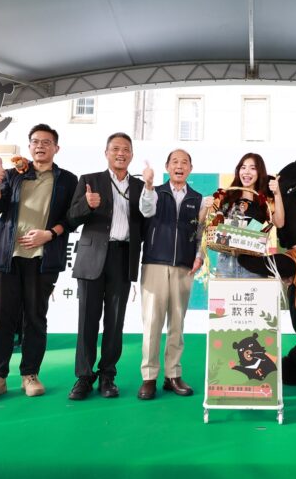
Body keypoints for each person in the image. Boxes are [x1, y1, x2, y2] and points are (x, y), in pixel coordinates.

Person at [0, 124, 78, 403]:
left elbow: (72, 218)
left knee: (35, 318)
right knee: (2, 319)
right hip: (9, 256)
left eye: (47, 142)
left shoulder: (68, 180)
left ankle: (30, 374)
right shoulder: (12, 175)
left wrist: (49, 233)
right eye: (35, 141)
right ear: (29, 146)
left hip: (43, 259)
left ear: (56, 148)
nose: (40, 146)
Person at [66, 132, 149, 400]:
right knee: (87, 320)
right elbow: (71, 218)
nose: (120, 153)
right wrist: (87, 205)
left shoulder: (140, 187)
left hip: (123, 257)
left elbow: (146, 223)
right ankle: (83, 377)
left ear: (132, 155)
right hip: (92, 257)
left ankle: (107, 376)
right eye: (115, 148)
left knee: (115, 322)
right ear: (106, 153)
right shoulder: (89, 180)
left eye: (126, 149)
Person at [136, 149, 204, 400]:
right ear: (167, 167)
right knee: (152, 323)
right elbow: (145, 210)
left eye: (184, 162)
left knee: (177, 324)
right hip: (155, 263)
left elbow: (201, 233)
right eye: (175, 162)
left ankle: (173, 375)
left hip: (184, 267)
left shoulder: (198, 199)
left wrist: (199, 256)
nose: (179, 166)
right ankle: (149, 377)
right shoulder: (155, 193)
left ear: (190, 169)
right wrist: (148, 184)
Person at [203, 152, 284, 278]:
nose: (246, 172)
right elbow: (208, 221)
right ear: (238, 171)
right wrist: (206, 206)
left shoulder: (264, 200)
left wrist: (277, 193)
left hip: (253, 263)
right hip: (226, 261)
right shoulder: (225, 195)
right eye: (243, 167)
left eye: (252, 168)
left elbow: (279, 223)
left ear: (260, 172)